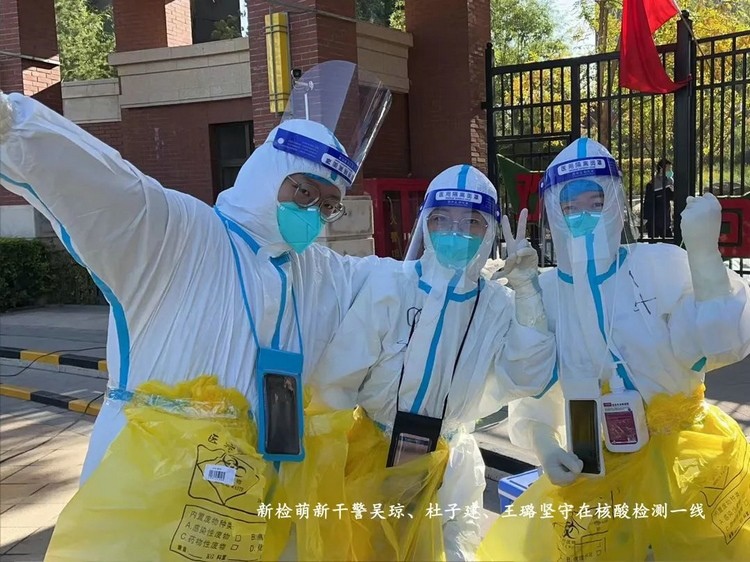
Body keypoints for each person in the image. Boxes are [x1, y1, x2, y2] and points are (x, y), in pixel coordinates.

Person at [0, 61, 395, 559]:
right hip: (146, 503)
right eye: (304, 191)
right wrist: (14, 124)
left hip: (243, 507)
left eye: (327, 205)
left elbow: (395, 285)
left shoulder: (313, 272)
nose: (313, 213)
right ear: (269, 172)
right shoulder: (178, 235)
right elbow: (104, 184)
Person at [477, 138, 750, 561]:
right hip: (596, 468)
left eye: (596, 201)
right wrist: (545, 444)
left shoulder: (658, 266)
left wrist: (704, 257)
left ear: (617, 203)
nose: (584, 214)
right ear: (553, 212)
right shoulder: (545, 292)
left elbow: (717, 344)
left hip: (685, 463)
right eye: (570, 205)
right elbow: (534, 387)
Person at [310, 165, 557, 561]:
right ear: (426, 223)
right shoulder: (390, 284)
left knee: (450, 550)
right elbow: (338, 379)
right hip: (370, 455)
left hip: (451, 465)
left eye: (471, 222)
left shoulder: (498, 305)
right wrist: (322, 455)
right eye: (442, 219)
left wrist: (527, 291)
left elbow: (529, 375)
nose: (455, 232)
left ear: (490, 231)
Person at [643, 157, 674, 238]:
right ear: (661, 169)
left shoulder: (670, 182)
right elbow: (648, 202)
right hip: (654, 221)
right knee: (654, 243)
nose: (670, 171)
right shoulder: (652, 184)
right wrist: (646, 218)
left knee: (669, 242)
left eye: (670, 168)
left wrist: (674, 190)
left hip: (666, 221)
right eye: (668, 168)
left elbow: (673, 198)